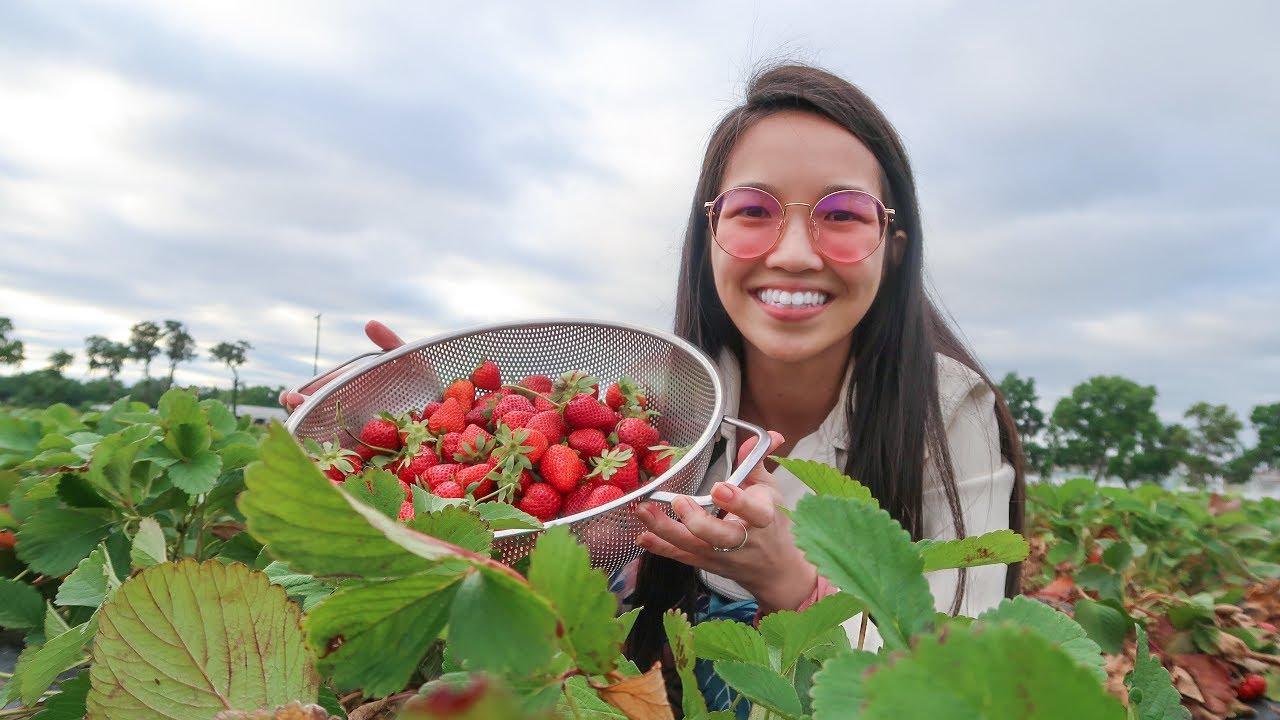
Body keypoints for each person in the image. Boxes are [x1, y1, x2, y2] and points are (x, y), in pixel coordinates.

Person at [282, 62, 1024, 719]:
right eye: (754, 211)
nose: (795, 254)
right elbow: (562, 600)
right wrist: (415, 434)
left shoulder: (949, 415)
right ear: (708, 238)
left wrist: (789, 582)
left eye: (842, 216)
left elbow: (964, 680)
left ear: (893, 248)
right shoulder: (661, 398)